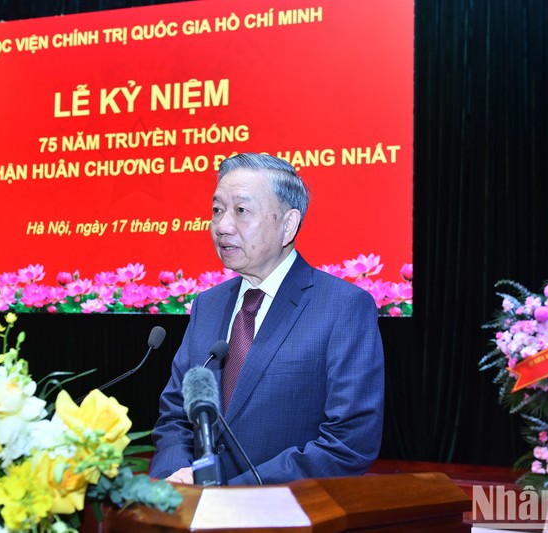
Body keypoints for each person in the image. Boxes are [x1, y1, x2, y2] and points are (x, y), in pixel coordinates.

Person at [149, 152, 384, 485]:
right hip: (191, 513)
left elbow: (348, 443)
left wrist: (233, 496)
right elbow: (175, 415)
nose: (223, 226)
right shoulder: (208, 305)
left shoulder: (343, 307)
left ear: (288, 224)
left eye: (241, 211)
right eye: (217, 210)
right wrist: (173, 479)